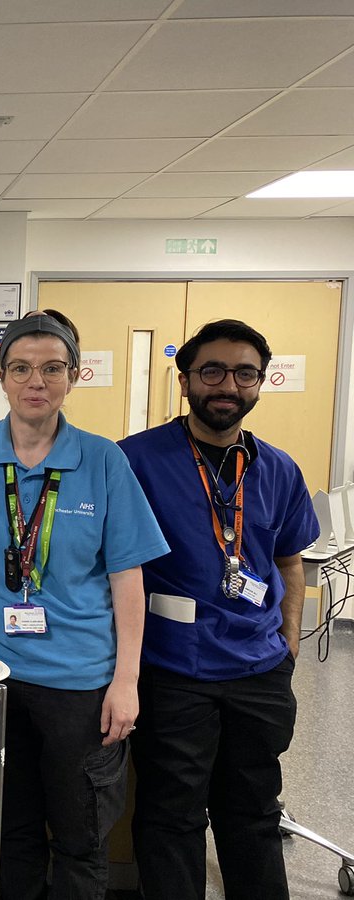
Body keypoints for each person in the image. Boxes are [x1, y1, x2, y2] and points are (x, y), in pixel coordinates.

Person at [0, 313, 168, 900]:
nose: (37, 381)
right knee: (10, 826)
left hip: (79, 680)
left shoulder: (103, 460)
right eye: (22, 368)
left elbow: (127, 576)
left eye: (52, 368)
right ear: (2, 377)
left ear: (73, 375)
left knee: (82, 836)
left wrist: (126, 681)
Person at [118, 319, 318, 900]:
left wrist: (288, 644)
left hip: (259, 671)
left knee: (254, 810)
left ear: (260, 383)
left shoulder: (278, 468)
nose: (227, 384)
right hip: (173, 669)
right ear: (185, 382)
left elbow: (289, 562)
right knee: (172, 815)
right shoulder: (136, 460)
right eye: (212, 371)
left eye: (244, 373)